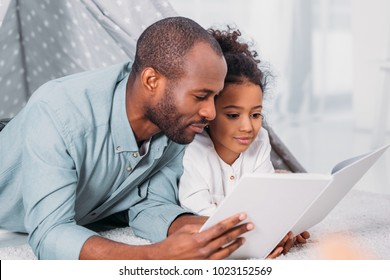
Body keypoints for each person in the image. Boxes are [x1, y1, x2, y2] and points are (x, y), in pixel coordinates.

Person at [0, 17, 254, 260]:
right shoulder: (57, 112)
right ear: (151, 80)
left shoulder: (176, 123)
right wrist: (155, 257)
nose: (210, 112)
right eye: (200, 96)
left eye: (215, 98)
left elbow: (150, 205)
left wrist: (216, 230)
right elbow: (49, 233)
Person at [179, 28, 310, 254]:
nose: (248, 127)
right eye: (233, 115)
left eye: (255, 114)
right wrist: (257, 236)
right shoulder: (193, 149)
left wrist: (283, 225)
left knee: (289, 190)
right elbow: (202, 217)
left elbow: (267, 196)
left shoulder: (260, 140)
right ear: (209, 113)